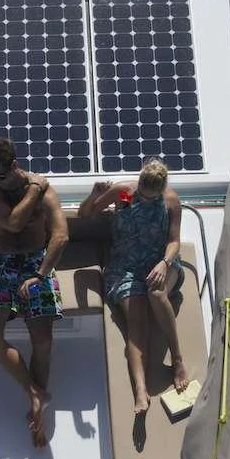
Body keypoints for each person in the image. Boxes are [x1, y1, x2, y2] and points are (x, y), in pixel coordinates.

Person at [0, 136, 69, 447]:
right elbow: (14, 223)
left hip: (35, 264)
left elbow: (60, 237)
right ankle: (35, 392)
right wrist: (35, 188)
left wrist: (40, 276)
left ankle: (37, 410)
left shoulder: (46, 192)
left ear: (15, 165)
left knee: (42, 339)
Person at [78, 159, 190, 416]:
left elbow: (174, 241)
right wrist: (94, 196)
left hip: (161, 262)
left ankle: (178, 359)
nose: (144, 197)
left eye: (151, 195)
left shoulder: (171, 201)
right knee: (136, 325)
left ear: (162, 190)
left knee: (157, 292)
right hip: (125, 267)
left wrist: (164, 263)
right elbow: (86, 214)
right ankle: (141, 390)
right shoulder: (124, 193)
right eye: (142, 191)